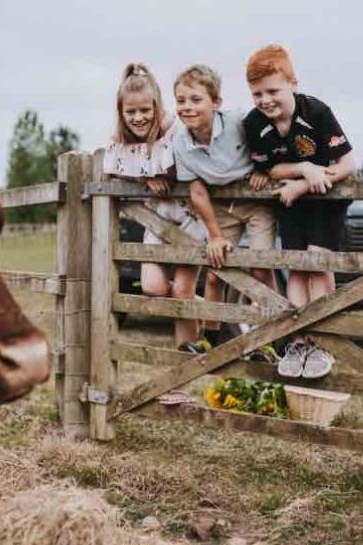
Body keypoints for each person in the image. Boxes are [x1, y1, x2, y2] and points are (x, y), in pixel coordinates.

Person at [242, 44, 356, 379]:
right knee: (296, 268)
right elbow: (271, 170)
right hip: (290, 204)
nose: (266, 100)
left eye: (273, 90)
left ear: (293, 83)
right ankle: (299, 340)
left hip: (326, 202)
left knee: (316, 265)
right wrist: (305, 168)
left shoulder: (316, 112)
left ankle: (322, 339)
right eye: (257, 94)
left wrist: (304, 184)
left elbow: (346, 164)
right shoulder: (255, 123)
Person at [102, 63, 214, 359]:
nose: (138, 118)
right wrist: (144, 175)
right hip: (156, 220)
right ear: (121, 112)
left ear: (156, 106)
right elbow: (110, 165)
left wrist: (158, 171)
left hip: (190, 219)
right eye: (131, 112)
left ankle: (185, 356)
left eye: (144, 111)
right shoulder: (120, 142)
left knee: (181, 293)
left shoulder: (174, 130)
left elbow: (188, 162)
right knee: (152, 287)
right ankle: (200, 307)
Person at [172, 64, 279, 362]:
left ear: (216, 103)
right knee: (217, 271)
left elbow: (268, 144)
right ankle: (211, 338)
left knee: (260, 267)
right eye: (181, 101)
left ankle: (265, 338)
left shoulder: (239, 122)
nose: (187, 107)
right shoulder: (180, 142)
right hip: (220, 207)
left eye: (196, 100)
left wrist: (262, 169)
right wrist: (215, 236)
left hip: (256, 202)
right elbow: (196, 191)